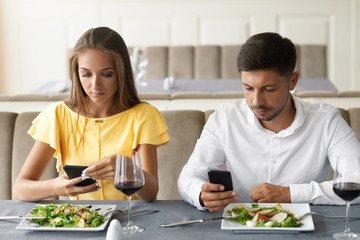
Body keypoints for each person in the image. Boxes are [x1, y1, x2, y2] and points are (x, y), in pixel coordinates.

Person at [177, 32, 360, 212]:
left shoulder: (326, 121)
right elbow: (189, 176)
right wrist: (200, 194)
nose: (256, 101)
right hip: (240, 228)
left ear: (292, 81)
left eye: (269, 89)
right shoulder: (225, 118)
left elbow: (357, 181)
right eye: (248, 88)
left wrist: (290, 194)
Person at [13, 27, 169, 201]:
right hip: (81, 222)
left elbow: (150, 194)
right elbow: (20, 189)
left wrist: (128, 169)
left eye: (107, 74)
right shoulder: (57, 115)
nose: (95, 85)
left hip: (130, 220)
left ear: (121, 72)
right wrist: (54, 187)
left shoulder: (143, 115)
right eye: (86, 74)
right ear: (76, 73)